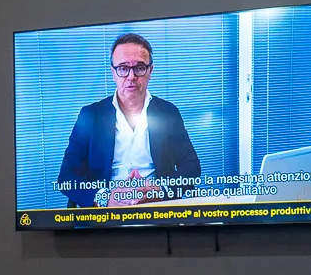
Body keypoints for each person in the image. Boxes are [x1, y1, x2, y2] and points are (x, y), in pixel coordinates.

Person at [55, 33, 203, 207]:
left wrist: (160, 190)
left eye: (139, 67)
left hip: (155, 208)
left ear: (150, 71)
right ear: (113, 72)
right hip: (106, 212)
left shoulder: (168, 112)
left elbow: (191, 167)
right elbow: (67, 177)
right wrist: (105, 198)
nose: (131, 76)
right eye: (123, 68)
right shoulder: (90, 115)